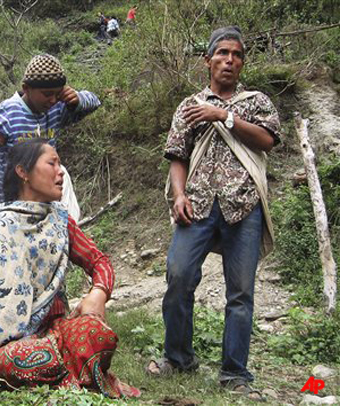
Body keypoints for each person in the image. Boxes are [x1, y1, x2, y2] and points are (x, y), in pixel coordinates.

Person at [147, 27, 281, 401]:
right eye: (222, 53)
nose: (230, 60)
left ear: (242, 62)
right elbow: (177, 155)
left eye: (237, 54)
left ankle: (235, 373)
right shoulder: (189, 106)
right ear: (207, 60)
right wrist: (177, 195)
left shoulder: (256, 102)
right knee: (178, 276)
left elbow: (268, 139)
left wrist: (225, 116)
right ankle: (178, 357)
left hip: (244, 205)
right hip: (198, 205)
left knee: (240, 293)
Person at [0, 139, 140, 398]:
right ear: (23, 172)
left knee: (100, 335)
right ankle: (74, 372)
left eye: (60, 164)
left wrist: (98, 294)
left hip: (57, 332)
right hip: (7, 344)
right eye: (52, 163)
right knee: (14, 360)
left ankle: (59, 373)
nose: (60, 172)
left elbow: (100, 262)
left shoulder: (59, 221)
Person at [0, 54, 100, 220]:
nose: (53, 100)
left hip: (46, 198)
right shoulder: (8, 114)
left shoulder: (56, 109)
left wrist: (77, 100)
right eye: (47, 94)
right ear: (26, 88)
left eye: (58, 94)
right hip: (13, 203)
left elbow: (94, 102)